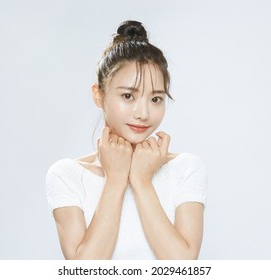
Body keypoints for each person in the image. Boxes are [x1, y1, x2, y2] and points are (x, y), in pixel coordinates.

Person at [46, 20, 208, 260]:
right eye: (128, 96)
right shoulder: (67, 175)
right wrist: (116, 178)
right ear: (98, 95)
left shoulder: (185, 168)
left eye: (155, 99)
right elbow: (83, 270)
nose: (143, 113)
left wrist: (141, 181)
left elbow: (183, 266)